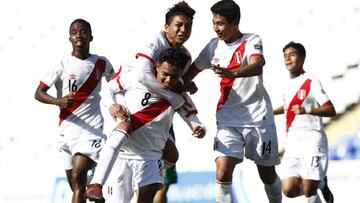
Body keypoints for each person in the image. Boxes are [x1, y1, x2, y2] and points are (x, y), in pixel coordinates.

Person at [85, 1, 197, 202]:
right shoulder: (154, 42)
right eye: (178, 25)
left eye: (188, 26)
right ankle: (96, 184)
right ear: (166, 27)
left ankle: (148, 168)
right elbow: (142, 76)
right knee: (125, 127)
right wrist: (175, 97)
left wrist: (184, 88)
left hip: (157, 111)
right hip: (126, 98)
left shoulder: (185, 57)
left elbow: (176, 85)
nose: (183, 30)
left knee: (172, 155)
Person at [182, 0, 282, 202]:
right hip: (228, 118)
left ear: (235, 22)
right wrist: (185, 84)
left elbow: (257, 65)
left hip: (258, 117)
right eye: (214, 22)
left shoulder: (252, 39)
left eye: (220, 23)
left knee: (267, 175)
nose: (216, 28)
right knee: (222, 171)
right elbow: (191, 73)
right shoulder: (213, 46)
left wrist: (233, 73)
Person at [95, 47, 206, 203]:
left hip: (150, 159)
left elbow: (190, 114)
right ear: (157, 67)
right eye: (165, 74)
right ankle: (96, 184)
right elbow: (108, 89)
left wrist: (198, 127)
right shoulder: (135, 78)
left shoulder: (179, 94)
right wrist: (111, 105)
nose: (168, 80)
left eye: (174, 76)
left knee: (172, 156)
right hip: (124, 156)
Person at [34, 19, 114, 203]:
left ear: (91, 37)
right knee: (75, 186)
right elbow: (38, 93)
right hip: (66, 131)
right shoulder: (61, 64)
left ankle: (96, 184)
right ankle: (94, 190)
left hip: (91, 130)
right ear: (70, 38)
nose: (79, 34)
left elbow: (116, 83)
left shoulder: (101, 63)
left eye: (83, 31)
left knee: (78, 176)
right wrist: (58, 101)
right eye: (74, 31)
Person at [273, 41, 336, 203]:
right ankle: (321, 183)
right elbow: (289, 107)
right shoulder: (286, 85)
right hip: (293, 141)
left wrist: (306, 110)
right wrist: (270, 112)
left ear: (302, 58)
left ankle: (318, 184)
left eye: (292, 55)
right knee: (288, 190)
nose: (288, 59)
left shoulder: (311, 81)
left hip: (312, 139)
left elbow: (330, 109)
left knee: (309, 190)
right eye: (285, 56)